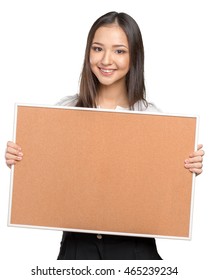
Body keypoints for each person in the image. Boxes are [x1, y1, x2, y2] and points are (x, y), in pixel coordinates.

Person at [5, 11, 204, 260]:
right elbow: (49, 178)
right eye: (98, 48)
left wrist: (186, 168)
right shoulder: (62, 113)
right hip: (78, 248)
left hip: (134, 250)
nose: (106, 60)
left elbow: (163, 195)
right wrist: (22, 159)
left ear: (135, 57)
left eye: (119, 51)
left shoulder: (155, 121)